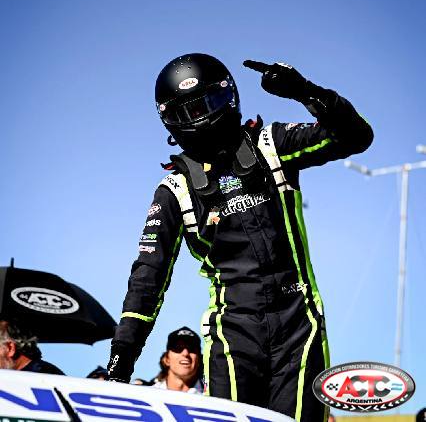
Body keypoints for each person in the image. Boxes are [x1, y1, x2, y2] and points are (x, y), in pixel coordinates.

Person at [107, 54, 373, 421]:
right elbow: (147, 278)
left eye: (207, 103)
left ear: (228, 96)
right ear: (170, 119)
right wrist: (121, 359)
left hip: (300, 326)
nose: (200, 117)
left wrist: (305, 91)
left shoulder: (271, 144)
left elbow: (357, 137)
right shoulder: (174, 189)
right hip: (233, 337)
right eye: (188, 111)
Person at [151, 326, 203, 393]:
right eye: (178, 348)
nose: (185, 353)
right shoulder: (146, 394)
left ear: (199, 360)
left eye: (192, 349)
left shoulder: (213, 396)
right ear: (166, 359)